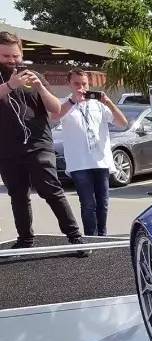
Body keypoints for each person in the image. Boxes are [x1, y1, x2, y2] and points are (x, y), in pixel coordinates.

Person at [0, 32, 85, 250]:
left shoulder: (34, 75)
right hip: (7, 147)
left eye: (15, 56)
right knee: (18, 194)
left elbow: (56, 109)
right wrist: (10, 85)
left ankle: (75, 237)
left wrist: (40, 87)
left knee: (50, 189)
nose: (12, 61)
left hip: (38, 143)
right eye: (6, 56)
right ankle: (25, 240)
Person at [52, 69, 128, 237]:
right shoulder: (64, 103)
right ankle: (91, 237)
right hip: (79, 163)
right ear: (69, 84)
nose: (81, 87)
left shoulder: (98, 104)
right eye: (76, 84)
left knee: (103, 203)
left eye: (84, 84)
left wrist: (109, 103)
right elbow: (54, 117)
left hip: (101, 161)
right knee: (88, 203)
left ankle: (102, 236)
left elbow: (122, 123)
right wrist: (73, 101)